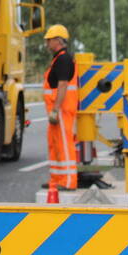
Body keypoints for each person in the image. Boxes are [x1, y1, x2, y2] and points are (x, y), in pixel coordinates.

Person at [42, 24, 78, 191]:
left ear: (57, 40)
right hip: (57, 110)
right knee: (55, 144)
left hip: (62, 110)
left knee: (64, 145)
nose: (47, 44)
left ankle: (69, 181)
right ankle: (56, 179)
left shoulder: (63, 59)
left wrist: (56, 109)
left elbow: (63, 84)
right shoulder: (59, 58)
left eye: (49, 40)